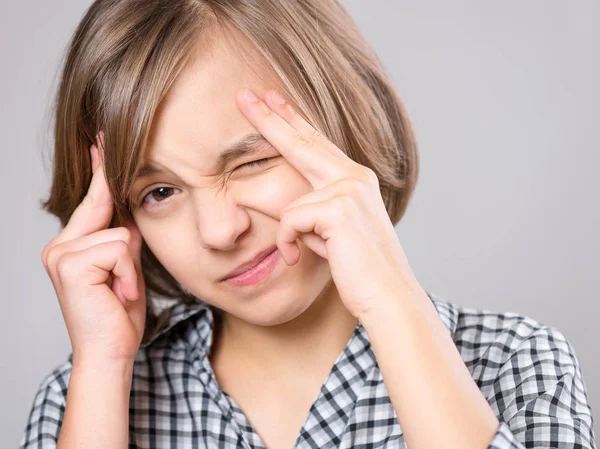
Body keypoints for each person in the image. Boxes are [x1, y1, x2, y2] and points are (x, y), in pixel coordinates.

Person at [19, 0, 596, 448]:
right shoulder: (84, 398)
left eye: (251, 161)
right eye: (160, 192)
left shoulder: (516, 364)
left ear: (342, 124)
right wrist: (105, 367)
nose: (220, 230)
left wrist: (392, 300)